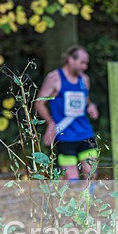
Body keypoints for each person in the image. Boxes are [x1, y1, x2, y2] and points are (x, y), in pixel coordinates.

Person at [35, 45, 99, 183]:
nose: (85, 66)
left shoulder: (84, 79)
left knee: (91, 173)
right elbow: (39, 103)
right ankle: (63, 201)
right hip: (65, 136)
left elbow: (86, 100)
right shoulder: (54, 78)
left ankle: (86, 204)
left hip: (85, 134)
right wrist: (50, 123)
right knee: (72, 179)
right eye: (82, 62)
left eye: (86, 63)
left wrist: (91, 106)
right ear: (70, 60)